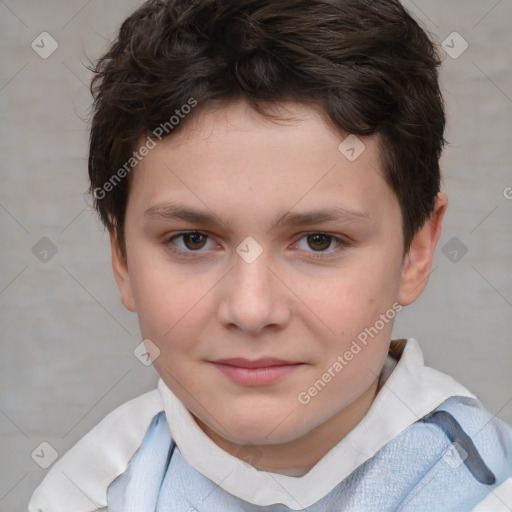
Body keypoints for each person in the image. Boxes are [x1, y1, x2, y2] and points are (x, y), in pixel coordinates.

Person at [29, 0, 512, 510]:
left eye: (318, 241)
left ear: (416, 249)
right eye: (192, 240)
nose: (252, 310)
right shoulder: (85, 495)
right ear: (122, 258)